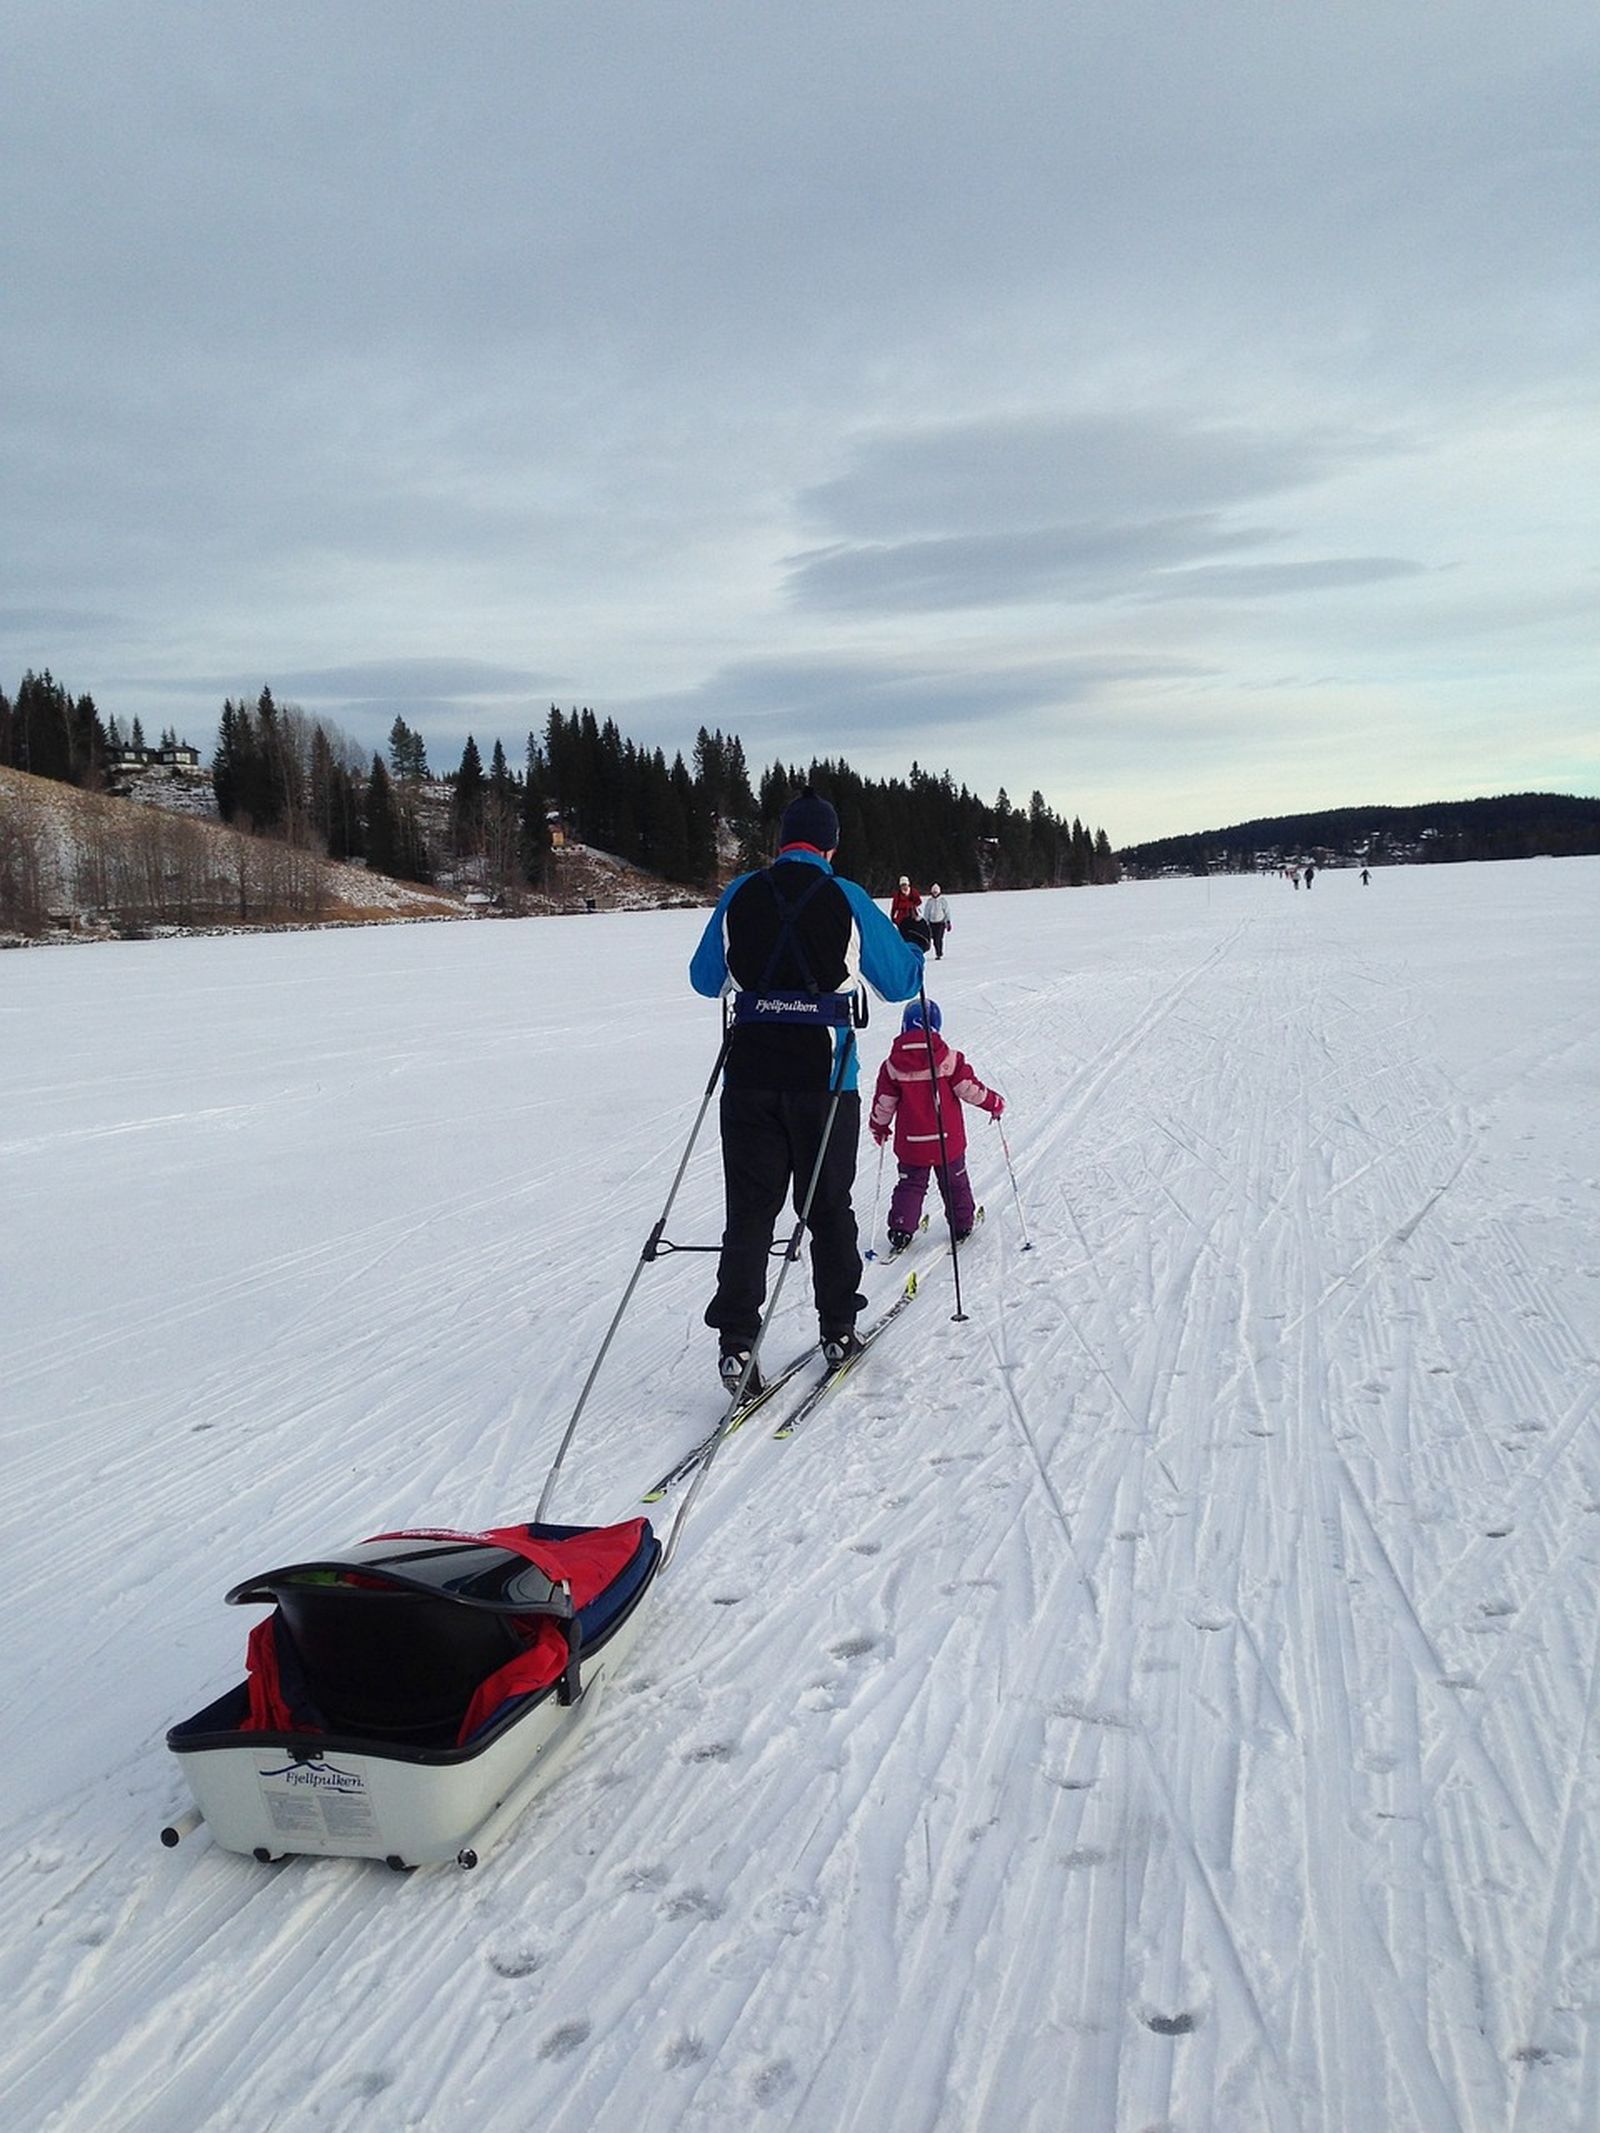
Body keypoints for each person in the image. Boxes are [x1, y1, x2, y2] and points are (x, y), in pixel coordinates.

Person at [690, 791, 925, 1391]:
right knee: (826, 1209)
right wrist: (916, 947)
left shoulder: (742, 892)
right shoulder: (844, 896)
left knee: (749, 1213)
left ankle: (737, 1342)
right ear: (831, 845)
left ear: (780, 843)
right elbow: (899, 982)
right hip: (825, 1080)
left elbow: (703, 979)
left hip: (748, 1079)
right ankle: (839, 1329)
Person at [869, 1000, 1003, 1249]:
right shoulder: (950, 1060)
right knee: (955, 1182)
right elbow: (969, 1090)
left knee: (910, 1184)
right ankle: (962, 1224)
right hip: (947, 1141)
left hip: (912, 1145)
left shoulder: (892, 1066)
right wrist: (994, 1103)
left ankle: (901, 1227)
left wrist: (879, 1127)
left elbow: (884, 1103)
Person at [922, 883, 951, 959]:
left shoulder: (942, 901)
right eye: (933, 892)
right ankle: (937, 952)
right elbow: (926, 912)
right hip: (932, 923)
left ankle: (939, 953)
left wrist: (948, 921)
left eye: (936, 892)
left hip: (940, 923)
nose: (935, 893)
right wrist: (925, 922)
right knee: (934, 939)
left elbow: (947, 911)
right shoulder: (929, 901)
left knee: (938, 939)